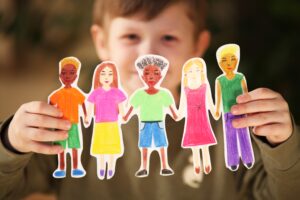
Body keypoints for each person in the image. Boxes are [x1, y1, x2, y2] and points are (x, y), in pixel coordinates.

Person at [0, 0, 298, 199]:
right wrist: (10, 141)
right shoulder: (71, 120)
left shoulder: (231, 124)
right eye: (131, 36)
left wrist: (282, 143)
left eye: (168, 38)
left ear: (198, 45)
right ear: (102, 42)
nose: (148, 56)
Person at [123, 54, 178, 178]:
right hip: (145, 123)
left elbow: (170, 107)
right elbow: (132, 106)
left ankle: (164, 166)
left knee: (162, 145)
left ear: (160, 76)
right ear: (143, 76)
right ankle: (143, 167)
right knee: (144, 146)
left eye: (155, 73)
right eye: (147, 73)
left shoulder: (164, 94)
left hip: (159, 122)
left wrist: (175, 114)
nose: (151, 76)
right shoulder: (139, 94)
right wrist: (126, 116)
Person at [214, 44, 255, 171]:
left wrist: (249, 107)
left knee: (244, 134)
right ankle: (233, 161)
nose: (229, 63)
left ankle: (248, 158)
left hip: (241, 110)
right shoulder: (220, 80)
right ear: (220, 64)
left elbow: (246, 93)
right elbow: (219, 96)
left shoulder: (240, 77)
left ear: (236, 61)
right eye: (225, 60)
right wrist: (217, 110)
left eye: (232, 59)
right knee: (230, 135)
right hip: (227, 112)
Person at [87, 61, 127, 180]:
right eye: (103, 74)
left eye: (110, 74)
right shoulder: (95, 93)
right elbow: (90, 107)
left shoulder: (117, 93)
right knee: (100, 150)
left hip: (113, 125)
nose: (106, 77)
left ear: (114, 77)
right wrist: (87, 117)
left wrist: (125, 116)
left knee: (111, 149)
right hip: (99, 125)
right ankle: (101, 168)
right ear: (98, 76)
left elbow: (121, 109)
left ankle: (110, 168)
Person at [48, 57, 87, 178]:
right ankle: (61, 168)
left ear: (76, 76)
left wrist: (86, 116)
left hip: (74, 124)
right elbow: (50, 104)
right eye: (64, 73)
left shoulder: (77, 93)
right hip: (60, 125)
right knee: (61, 148)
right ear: (60, 76)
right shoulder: (57, 94)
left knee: (75, 147)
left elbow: (84, 104)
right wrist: (50, 117)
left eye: (71, 73)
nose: (67, 76)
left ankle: (76, 168)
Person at [178, 58, 217, 175]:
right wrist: (177, 115)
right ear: (185, 74)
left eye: (197, 70)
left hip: (203, 119)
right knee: (194, 145)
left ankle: (207, 164)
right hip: (191, 121)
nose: (194, 74)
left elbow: (210, 103)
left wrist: (216, 112)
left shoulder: (205, 87)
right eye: (190, 71)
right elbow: (182, 106)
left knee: (204, 144)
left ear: (202, 73)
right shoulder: (185, 90)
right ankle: (197, 165)